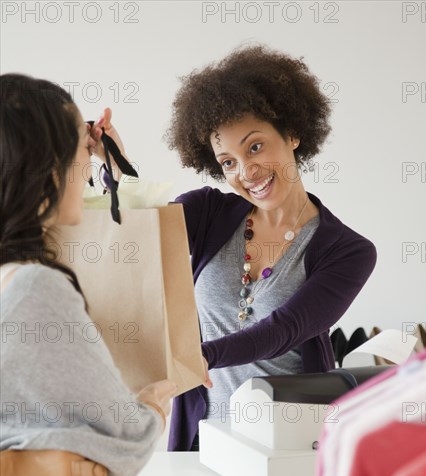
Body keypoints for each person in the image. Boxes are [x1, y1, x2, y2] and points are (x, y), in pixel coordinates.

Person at [92, 45, 377, 452]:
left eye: (255, 147)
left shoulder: (347, 251)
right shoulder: (208, 211)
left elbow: (284, 330)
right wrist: (115, 162)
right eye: (228, 162)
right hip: (203, 439)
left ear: (293, 134)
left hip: (290, 446)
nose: (246, 172)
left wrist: (193, 357)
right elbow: (140, 237)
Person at [0, 74, 177, 476]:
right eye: (79, 147)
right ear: (46, 165)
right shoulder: (35, 289)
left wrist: (112, 171)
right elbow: (128, 441)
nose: (86, 159)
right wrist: (155, 408)